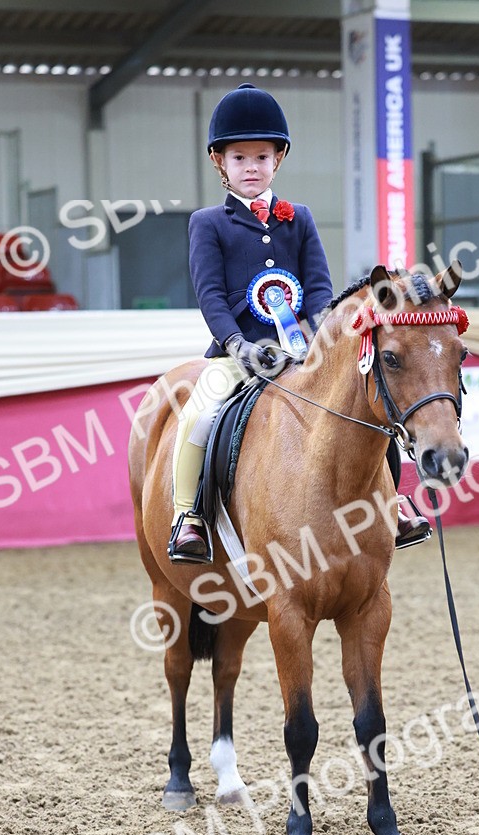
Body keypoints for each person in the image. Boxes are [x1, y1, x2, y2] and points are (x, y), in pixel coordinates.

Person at [169, 82, 430, 562]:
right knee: (199, 411)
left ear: (278, 161)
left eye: (262, 157)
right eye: (240, 158)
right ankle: (191, 517)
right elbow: (209, 296)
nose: (252, 167)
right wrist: (237, 346)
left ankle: (391, 504)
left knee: (371, 406)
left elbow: (317, 290)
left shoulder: (300, 218)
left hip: (303, 352)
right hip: (239, 354)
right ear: (220, 163)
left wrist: (313, 342)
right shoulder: (208, 223)